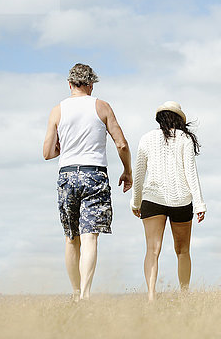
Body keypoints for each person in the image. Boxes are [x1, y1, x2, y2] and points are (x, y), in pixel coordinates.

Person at [43, 63, 132, 301]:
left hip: (67, 173)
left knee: (71, 237)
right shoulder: (101, 106)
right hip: (95, 174)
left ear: (69, 84)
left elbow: (47, 153)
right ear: (91, 84)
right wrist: (127, 171)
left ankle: (74, 292)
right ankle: (85, 294)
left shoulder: (57, 110)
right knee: (90, 236)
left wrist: (62, 147)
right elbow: (121, 144)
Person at [130, 101, 206, 301]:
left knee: (152, 250)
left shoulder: (146, 138)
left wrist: (135, 203)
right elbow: (191, 174)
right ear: (179, 119)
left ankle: (151, 296)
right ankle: (184, 294)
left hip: (152, 200)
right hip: (181, 200)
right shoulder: (185, 139)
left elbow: (139, 175)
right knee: (183, 251)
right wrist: (199, 204)